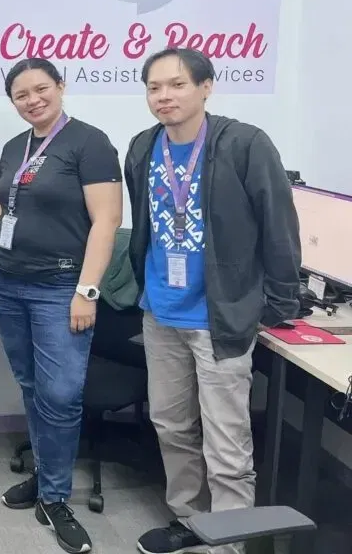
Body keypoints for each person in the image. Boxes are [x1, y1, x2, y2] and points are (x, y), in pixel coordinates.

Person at [126, 49, 300, 554]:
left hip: (219, 316)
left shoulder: (244, 143)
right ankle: (189, 518)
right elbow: (146, 228)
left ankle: (229, 542)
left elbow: (279, 227)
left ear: (206, 87)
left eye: (177, 85)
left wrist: (281, 302)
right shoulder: (142, 147)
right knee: (171, 425)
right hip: (160, 311)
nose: (165, 96)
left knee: (226, 441)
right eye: (154, 87)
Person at [0, 59, 122, 554]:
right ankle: (46, 481)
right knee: (30, 384)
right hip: (7, 280)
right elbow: (5, 207)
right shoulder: (13, 147)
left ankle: (57, 497)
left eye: (41, 89)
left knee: (61, 393)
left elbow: (106, 221)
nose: (32, 100)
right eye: (21, 94)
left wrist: (87, 290)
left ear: (60, 87)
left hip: (61, 287)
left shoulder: (90, 142)